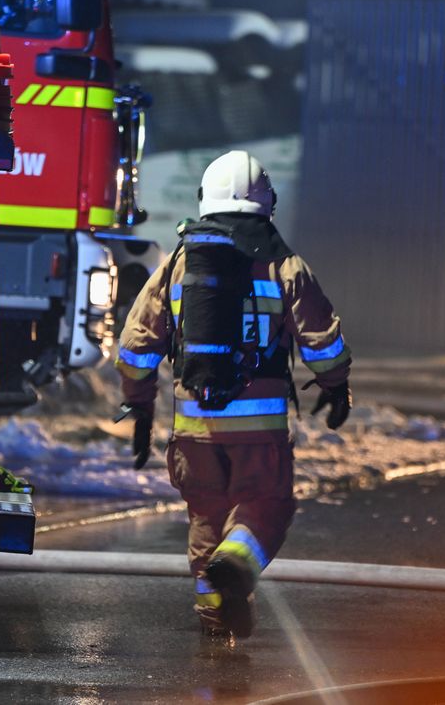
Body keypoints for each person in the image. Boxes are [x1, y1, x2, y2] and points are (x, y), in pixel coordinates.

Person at [114, 150, 352, 640]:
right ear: (268, 203)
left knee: (207, 521)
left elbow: (136, 347)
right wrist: (335, 384)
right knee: (266, 509)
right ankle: (238, 567)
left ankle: (214, 618)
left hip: (194, 433)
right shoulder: (284, 265)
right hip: (257, 435)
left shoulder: (177, 264)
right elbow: (321, 342)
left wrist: (139, 405)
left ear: (205, 199)